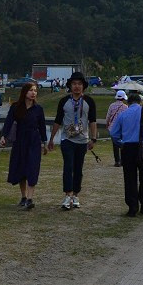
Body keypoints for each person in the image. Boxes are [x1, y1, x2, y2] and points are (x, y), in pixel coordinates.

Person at [47, 71, 98, 210]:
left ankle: (75, 194)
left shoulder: (89, 101)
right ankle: (67, 194)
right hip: (67, 139)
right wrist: (51, 138)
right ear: (70, 86)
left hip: (82, 140)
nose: (76, 87)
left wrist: (93, 139)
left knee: (78, 168)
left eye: (79, 84)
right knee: (68, 166)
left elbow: (92, 121)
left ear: (83, 86)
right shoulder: (64, 101)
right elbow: (58, 120)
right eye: (74, 84)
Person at [108, 92, 143, 217]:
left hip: (127, 149)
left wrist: (121, 144)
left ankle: (132, 207)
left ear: (128, 103)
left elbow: (114, 133)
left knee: (129, 178)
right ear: (140, 102)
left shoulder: (123, 114)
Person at [0, 81, 48, 210]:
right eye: (31, 90)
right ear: (25, 92)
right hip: (20, 141)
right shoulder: (16, 107)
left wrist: (45, 142)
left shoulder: (38, 109)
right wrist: (3, 136)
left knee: (32, 168)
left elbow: (42, 127)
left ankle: (30, 199)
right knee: (21, 169)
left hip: (33, 142)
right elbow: (8, 122)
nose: (34, 93)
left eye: (35, 90)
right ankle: (24, 196)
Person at [105, 89, 130, 167]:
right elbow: (127, 118)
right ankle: (123, 160)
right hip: (122, 128)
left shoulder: (111, 106)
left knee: (115, 145)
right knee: (122, 144)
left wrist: (107, 124)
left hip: (112, 128)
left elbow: (108, 117)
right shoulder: (126, 107)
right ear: (123, 98)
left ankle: (117, 161)